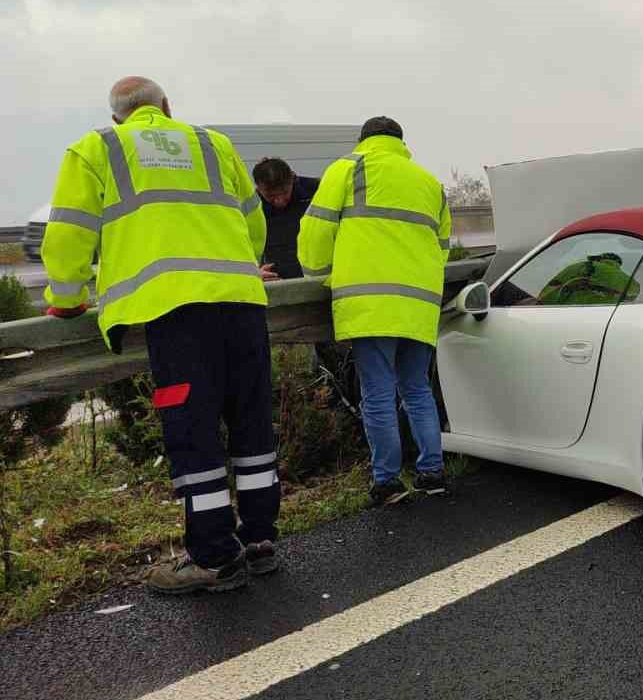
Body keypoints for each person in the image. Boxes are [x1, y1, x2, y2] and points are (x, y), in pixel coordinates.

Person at [42, 76, 278, 593]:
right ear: (167, 107)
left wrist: (66, 298)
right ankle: (260, 542)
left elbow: (69, 233)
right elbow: (253, 222)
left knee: (194, 435)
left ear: (117, 117)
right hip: (241, 303)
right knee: (251, 421)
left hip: (173, 314)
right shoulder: (213, 144)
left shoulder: (98, 147)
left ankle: (216, 559)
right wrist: (243, 266)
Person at [299, 116, 452, 506]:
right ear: (401, 141)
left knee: (378, 394)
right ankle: (432, 472)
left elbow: (317, 230)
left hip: (370, 305)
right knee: (417, 389)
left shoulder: (348, 168)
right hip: (419, 304)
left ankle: (387, 481)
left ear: (363, 140)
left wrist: (319, 276)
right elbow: (444, 245)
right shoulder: (428, 182)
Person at [251, 157, 321, 281]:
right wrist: (253, 271)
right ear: (258, 188)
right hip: (277, 281)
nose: (279, 201)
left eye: (284, 192)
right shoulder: (251, 205)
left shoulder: (316, 190)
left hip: (317, 277)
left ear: (293, 179)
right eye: (270, 195)